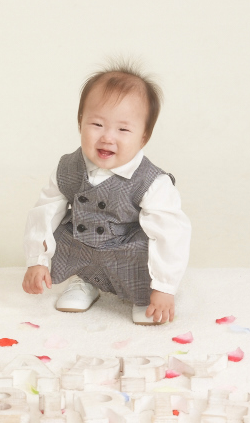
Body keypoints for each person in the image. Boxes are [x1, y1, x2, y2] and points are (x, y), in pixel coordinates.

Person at [21, 59, 191, 325]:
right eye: (97, 125)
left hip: (126, 250)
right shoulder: (68, 167)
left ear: (143, 136)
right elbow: (44, 211)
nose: (107, 137)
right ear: (80, 123)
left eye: (123, 129)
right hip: (81, 245)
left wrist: (164, 287)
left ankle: (144, 294)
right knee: (56, 227)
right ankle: (85, 281)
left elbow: (171, 234)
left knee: (149, 246)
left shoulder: (152, 182)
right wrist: (37, 260)